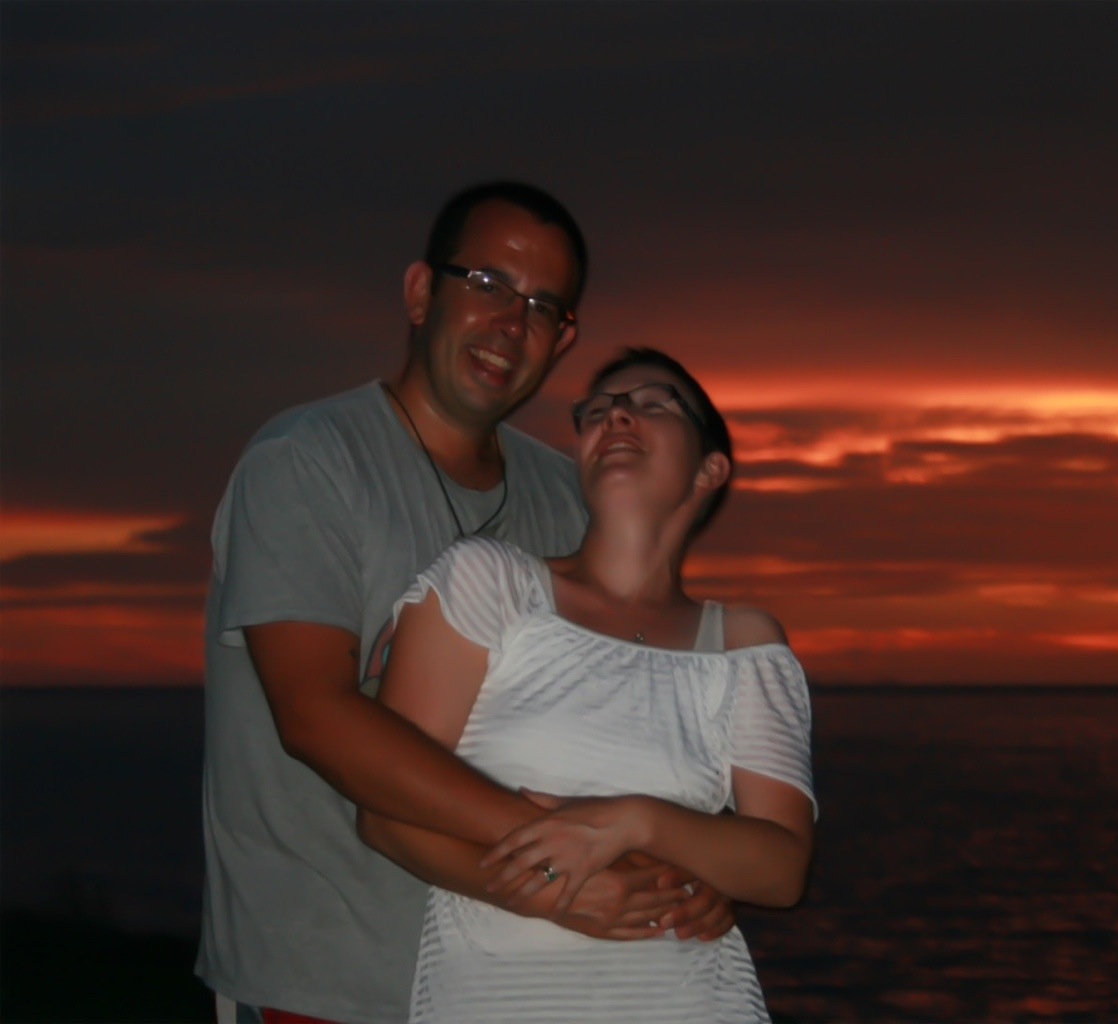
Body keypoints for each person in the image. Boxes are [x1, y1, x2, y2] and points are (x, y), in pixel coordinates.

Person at [198, 184, 731, 1024]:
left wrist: (698, 864)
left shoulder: (572, 497)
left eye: (543, 307)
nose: (512, 323)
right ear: (420, 293)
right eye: (487, 284)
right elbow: (314, 716)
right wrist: (559, 861)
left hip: (518, 986)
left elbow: (637, 706)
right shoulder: (307, 462)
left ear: (563, 340)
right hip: (331, 981)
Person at [358, 348, 816, 1023]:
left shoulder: (743, 644)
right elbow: (385, 813)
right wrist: (556, 893)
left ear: (710, 469)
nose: (617, 415)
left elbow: (781, 868)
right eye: (597, 410)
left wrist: (634, 821)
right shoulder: (490, 583)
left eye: (653, 403)